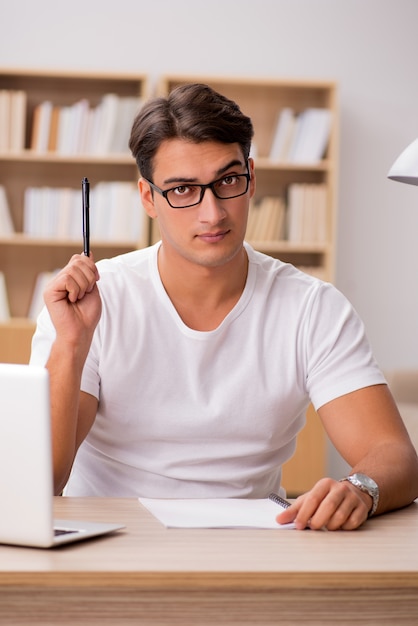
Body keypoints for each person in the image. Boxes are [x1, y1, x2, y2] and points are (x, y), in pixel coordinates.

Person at [30, 83, 418, 531]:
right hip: (105, 540)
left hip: (246, 545)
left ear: (251, 177)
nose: (212, 213)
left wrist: (360, 489)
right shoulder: (96, 302)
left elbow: (395, 457)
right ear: (148, 197)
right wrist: (71, 345)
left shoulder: (312, 307)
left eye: (228, 181)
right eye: (182, 190)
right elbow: (44, 483)